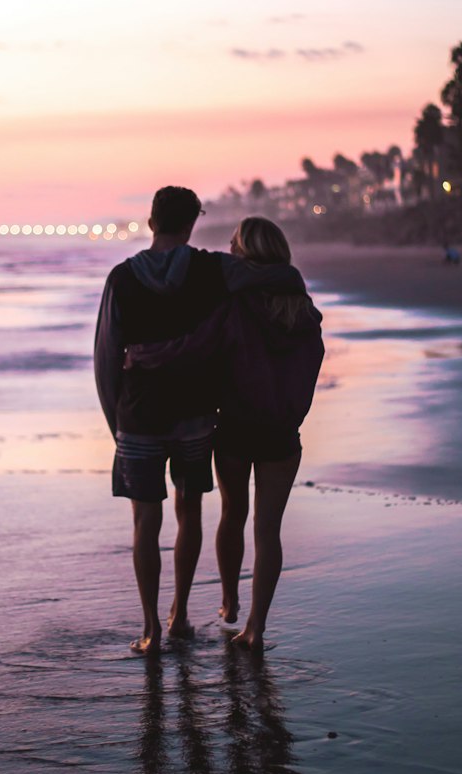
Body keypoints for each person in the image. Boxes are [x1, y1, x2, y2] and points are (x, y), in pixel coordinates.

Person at [95, 188, 306, 655]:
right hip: (194, 415)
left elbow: (106, 355)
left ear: (151, 221)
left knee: (144, 520)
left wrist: (117, 423)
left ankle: (151, 629)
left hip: (139, 417)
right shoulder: (213, 269)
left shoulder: (121, 278)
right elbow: (268, 271)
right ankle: (181, 615)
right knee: (189, 512)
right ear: (192, 224)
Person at [212, 217, 324, 651]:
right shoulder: (303, 308)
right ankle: (256, 627)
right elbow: (309, 365)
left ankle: (229, 599)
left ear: (245, 252)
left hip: (237, 424)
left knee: (231, 514)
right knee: (268, 529)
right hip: (281, 430)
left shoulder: (235, 301)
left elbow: (219, 355)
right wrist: (293, 412)